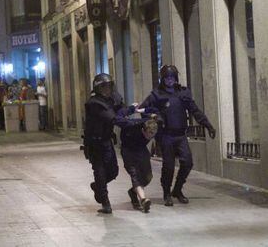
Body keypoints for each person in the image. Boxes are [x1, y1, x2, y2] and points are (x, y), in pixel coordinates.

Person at [139, 65, 216, 206]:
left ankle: (178, 189)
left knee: (187, 162)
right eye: (167, 78)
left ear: (175, 78)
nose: (169, 80)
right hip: (165, 135)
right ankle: (166, 192)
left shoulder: (183, 93)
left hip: (181, 134)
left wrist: (207, 125)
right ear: (163, 79)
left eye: (172, 77)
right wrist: (155, 115)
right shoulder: (156, 95)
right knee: (168, 166)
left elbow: (195, 111)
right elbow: (143, 110)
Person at [83, 73, 125, 214]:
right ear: (98, 88)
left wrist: (129, 109)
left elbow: (120, 110)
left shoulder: (110, 100)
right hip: (95, 143)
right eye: (104, 87)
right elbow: (111, 117)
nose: (107, 90)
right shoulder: (94, 103)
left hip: (106, 141)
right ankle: (105, 202)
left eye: (109, 87)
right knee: (100, 172)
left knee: (113, 171)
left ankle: (98, 187)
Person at [115, 109, 159, 213]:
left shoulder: (152, 124)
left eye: (153, 135)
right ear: (143, 130)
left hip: (141, 150)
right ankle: (143, 199)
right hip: (128, 151)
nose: (150, 137)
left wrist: (147, 112)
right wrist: (130, 110)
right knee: (135, 175)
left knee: (148, 177)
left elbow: (157, 110)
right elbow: (117, 118)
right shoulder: (131, 126)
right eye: (149, 134)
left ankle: (133, 192)